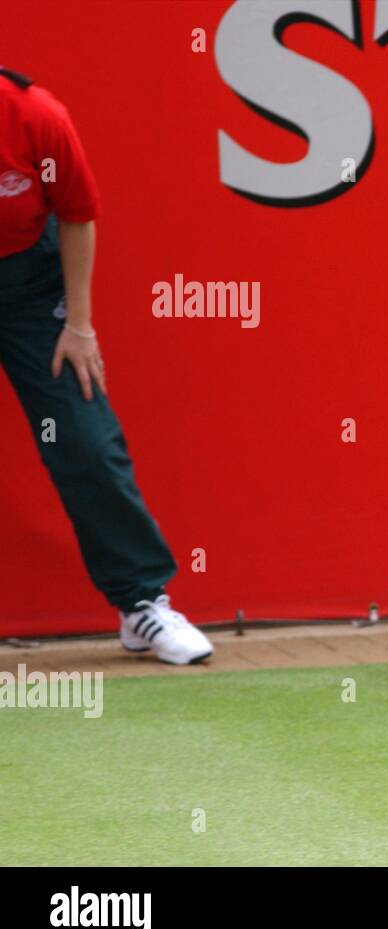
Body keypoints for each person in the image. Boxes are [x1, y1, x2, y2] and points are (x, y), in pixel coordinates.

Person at [0, 66, 211, 664]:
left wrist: (79, 327)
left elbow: (77, 213)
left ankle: (141, 604)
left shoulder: (36, 116)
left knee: (86, 443)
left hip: (32, 289)